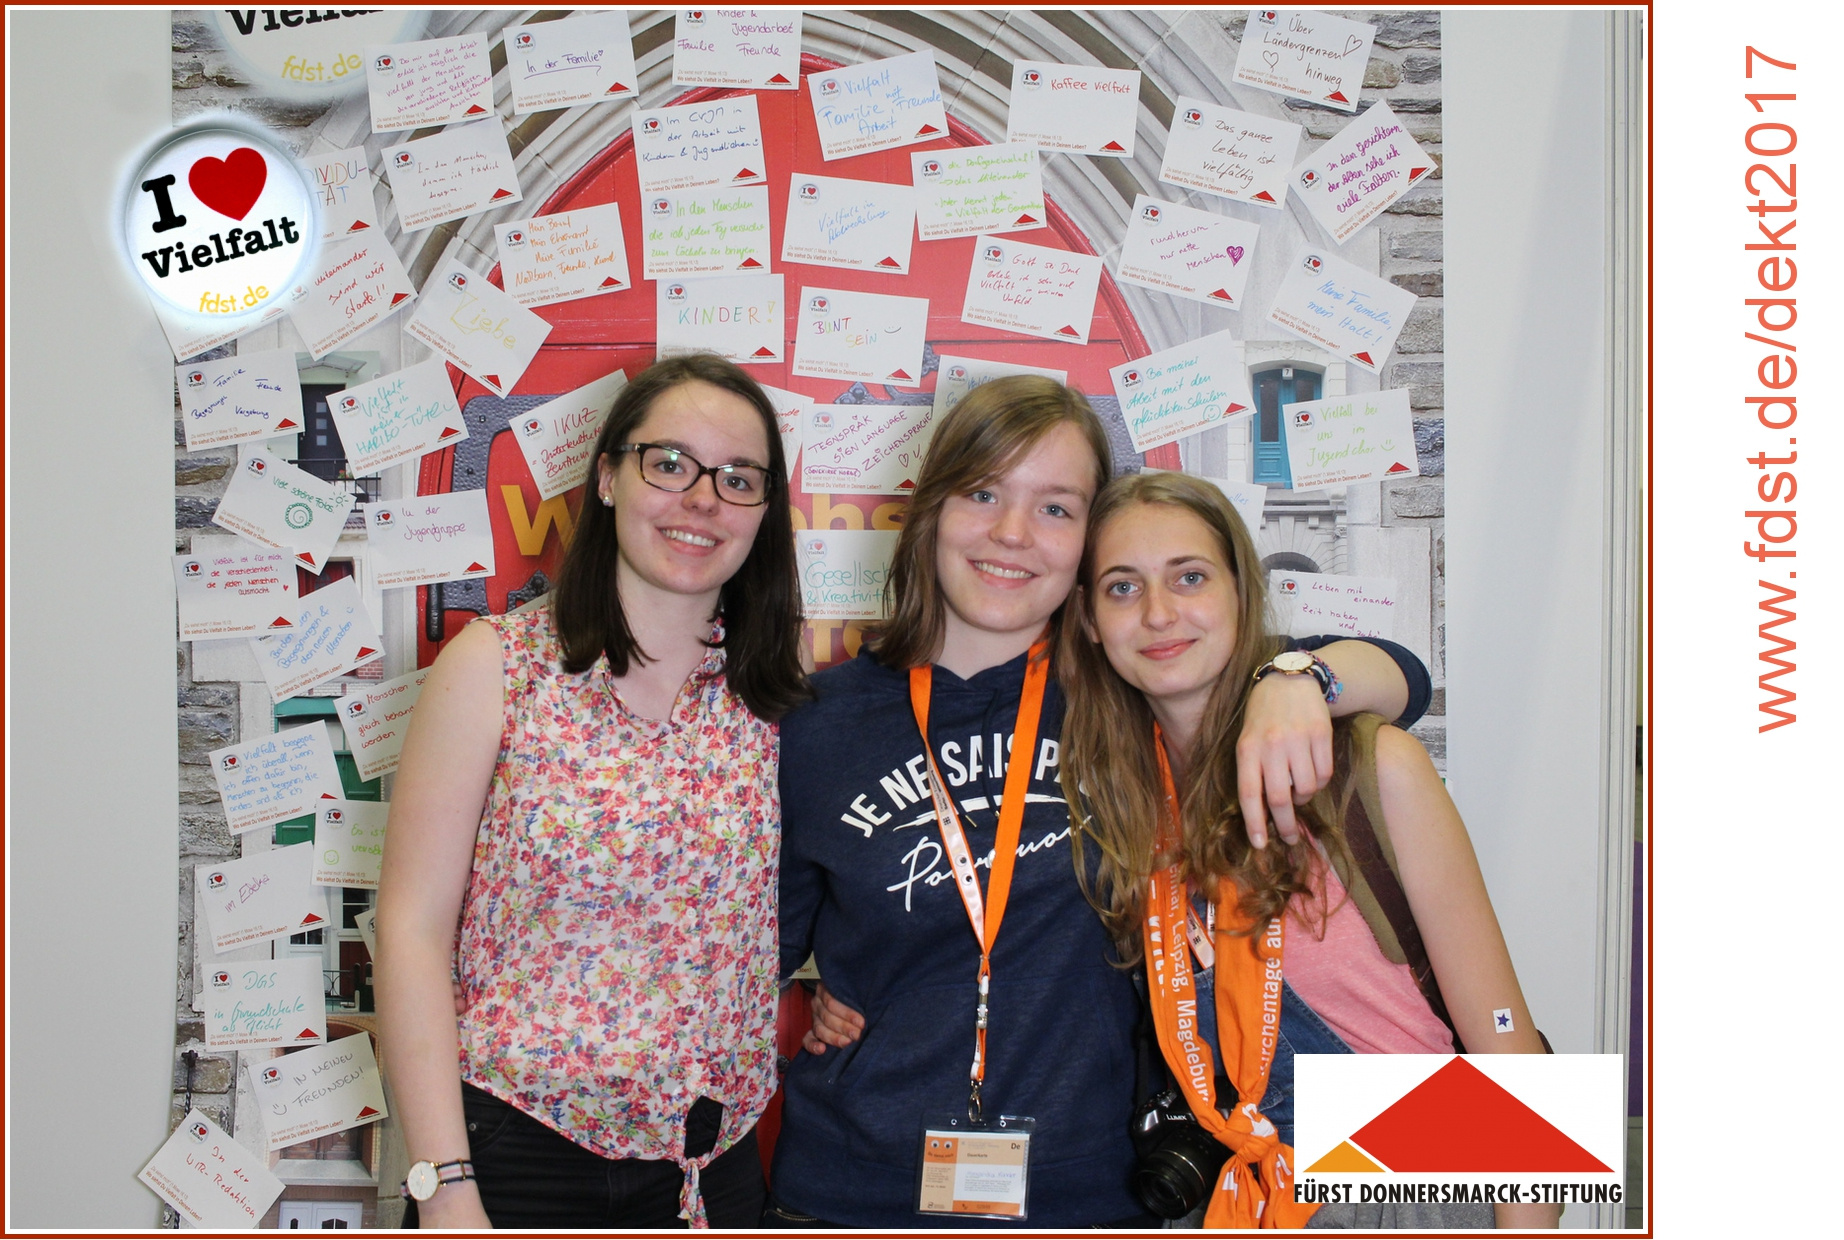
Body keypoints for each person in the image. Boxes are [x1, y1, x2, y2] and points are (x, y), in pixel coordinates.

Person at [771, 376, 1431, 1228]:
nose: (1013, 532)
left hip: (1092, 1186)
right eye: (983, 492)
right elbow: (755, 954)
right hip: (853, 1188)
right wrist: (819, 994)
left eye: (1055, 507)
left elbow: (1404, 678)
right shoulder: (815, 726)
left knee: (1497, 1146)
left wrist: (1297, 676)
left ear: (1087, 546)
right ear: (931, 507)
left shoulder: (1131, 690)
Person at [1057, 470, 1559, 1229]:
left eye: (1190, 577)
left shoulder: (1373, 767)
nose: (1159, 613)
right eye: (1122, 588)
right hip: (1235, 1192)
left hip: (1411, 1183)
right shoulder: (1118, 808)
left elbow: (1508, 1046)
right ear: (1091, 621)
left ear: (1241, 591)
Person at [374, 354, 808, 1229]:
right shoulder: (496, 667)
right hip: (514, 1156)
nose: (703, 499)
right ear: (609, 477)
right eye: (670, 463)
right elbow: (409, 931)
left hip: (710, 1169)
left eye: (737, 478)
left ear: (764, 510)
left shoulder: (772, 685)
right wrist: (445, 1186)